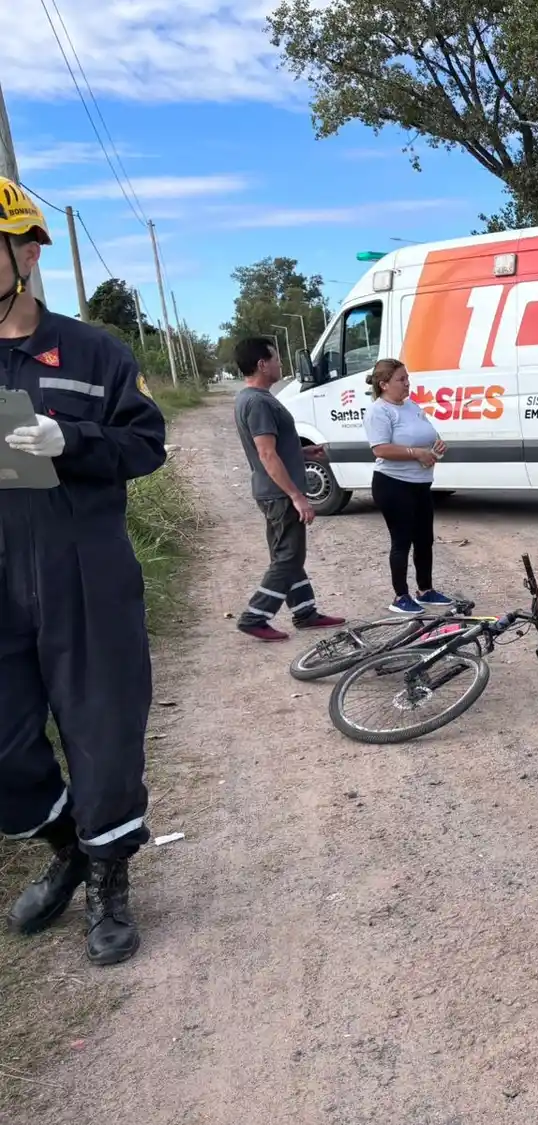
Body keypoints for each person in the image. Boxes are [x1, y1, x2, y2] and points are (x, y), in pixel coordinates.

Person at [0, 177, 165, 965]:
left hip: (83, 572)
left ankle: (108, 876)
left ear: (25, 250)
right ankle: (68, 843)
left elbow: (147, 444)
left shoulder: (97, 350)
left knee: (103, 729)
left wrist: (75, 442)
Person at [232, 336, 344, 641]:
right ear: (261, 364)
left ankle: (305, 612)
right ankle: (255, 616)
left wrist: (303, 453)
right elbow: (266, 453)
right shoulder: (257, 402)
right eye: (276, 358)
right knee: (288, 557)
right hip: (279, 493)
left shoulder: (252, 399)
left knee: (287, 554)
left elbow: (274, 448)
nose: (281, 364)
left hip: (272, 490)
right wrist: (297, 496)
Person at [363, 358, 455, 615]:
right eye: (401, 380)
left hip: (420, 484)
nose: (407, 383)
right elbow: (380, 448)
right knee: (401, 541)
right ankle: (400, 596)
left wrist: (436, 447)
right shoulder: (379, 411)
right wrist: (416, 453)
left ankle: (425, 590)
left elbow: (427, 434)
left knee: (424, 539)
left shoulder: (411, 406)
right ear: (384, 384)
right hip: (393, 485)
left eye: (407, 378)